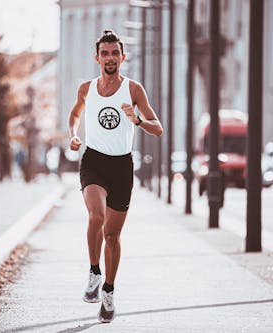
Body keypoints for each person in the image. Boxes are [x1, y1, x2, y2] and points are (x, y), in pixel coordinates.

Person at [67, 30, 163, 323]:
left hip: (122, 166)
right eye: (105, 53)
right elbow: (75, 115)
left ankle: (108, 291)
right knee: (96, 216)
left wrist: (138, 120)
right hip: (94, 161)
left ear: (123, 57)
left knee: (112, 234)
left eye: (115, 53)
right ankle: (94, 271)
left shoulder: (134, 90)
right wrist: (73, 135)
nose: (110, 58)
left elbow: (157, 128)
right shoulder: (86, 88)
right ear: (97, 58)